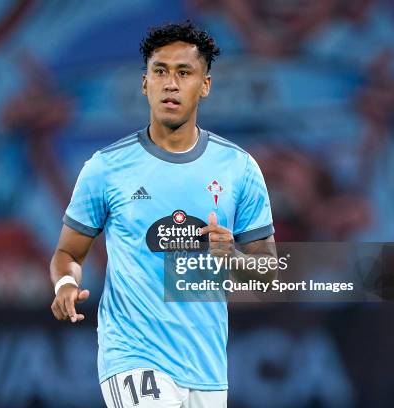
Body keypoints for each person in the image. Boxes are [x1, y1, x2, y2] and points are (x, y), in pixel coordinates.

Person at [50, 21, 277, 408]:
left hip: (206, 365)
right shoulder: (105, 168)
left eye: (184, 73)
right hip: (133, 355)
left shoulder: (238, 168)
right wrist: (64, 286)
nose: (170, 84)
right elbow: (69, 254)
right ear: (144, 83)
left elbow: (267, 272)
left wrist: (232, 260)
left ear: (204, 85)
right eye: (160, 72)